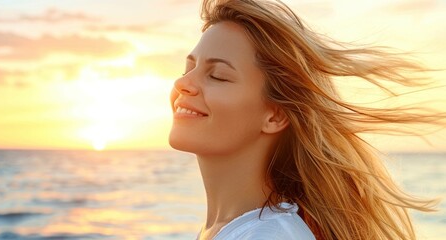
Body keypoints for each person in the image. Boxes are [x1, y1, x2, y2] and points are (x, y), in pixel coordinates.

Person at [168, 0, 443, 239]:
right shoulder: (235, 228)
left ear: (275, 115)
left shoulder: (268, 236)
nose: (183, 82)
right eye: (189, 67)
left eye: (217, 75)